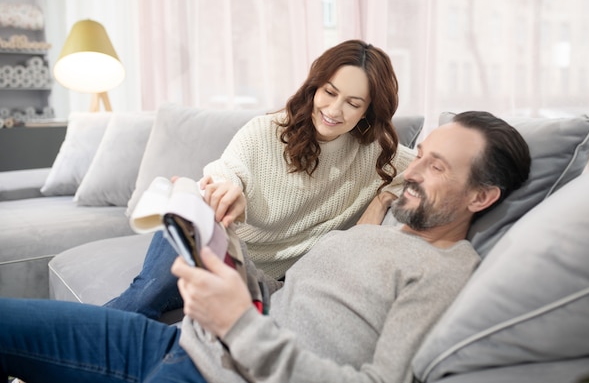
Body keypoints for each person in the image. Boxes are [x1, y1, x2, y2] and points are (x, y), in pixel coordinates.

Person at [0, 111, 531, 383]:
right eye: (421, 155)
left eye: (436, 167)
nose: (411, 172)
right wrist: (222, 257)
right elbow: (286, 301)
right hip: (179, 345)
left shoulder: (447, 275)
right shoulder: (380, 231)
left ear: (482, 196)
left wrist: (238, 325)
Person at [103, 39, 417, 320]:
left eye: (353, 103)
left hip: (255, 281)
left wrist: (380, 199)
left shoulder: (380, 157)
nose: (334, 110)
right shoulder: (267, 130)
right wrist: (229, 191)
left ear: (368, 111)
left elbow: (427, 167)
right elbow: (227, 171)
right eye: (330, 92)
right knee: (143, 297)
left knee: (149, 305)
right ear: (315, 88)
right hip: (214, 247)